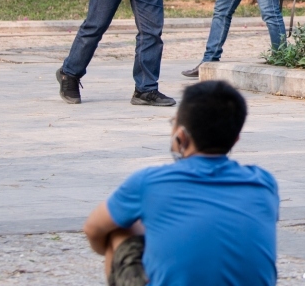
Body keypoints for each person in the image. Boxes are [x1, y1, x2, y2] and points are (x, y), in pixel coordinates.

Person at [82, 80, 279, 286]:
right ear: (236, 138)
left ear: (181, 135)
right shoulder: (264, 183)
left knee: (121, 227)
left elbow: (93, 229)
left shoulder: (148, 182)